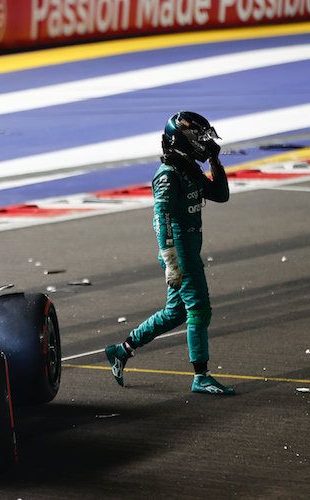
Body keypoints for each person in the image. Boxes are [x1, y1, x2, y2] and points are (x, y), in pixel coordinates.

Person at [105, 111, 235, 395]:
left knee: (176, 312)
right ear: (182, 141)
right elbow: (159, 219)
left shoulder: (188, 170)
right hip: (180, 253)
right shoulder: (167, 175)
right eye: (199, 141)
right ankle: (201, 376)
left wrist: (214, 160)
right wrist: (171, 262)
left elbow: (221, 194)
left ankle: (122, 350)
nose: (203, 144)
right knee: (199, 308)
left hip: (187, 249)